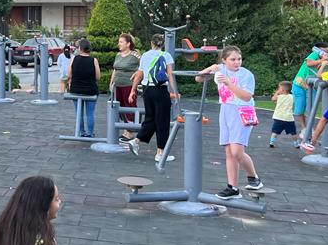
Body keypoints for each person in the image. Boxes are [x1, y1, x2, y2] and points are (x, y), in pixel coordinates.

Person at [196, 46, 265, 199]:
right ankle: (232, 188)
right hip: (226, 110)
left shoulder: (246, 74)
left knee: (236, 152)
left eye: (239, 59)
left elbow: (246, 97)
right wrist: (211, 68)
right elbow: (198, 78)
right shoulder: (220, 69)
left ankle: (254, 178)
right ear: (224, 60)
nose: (236, 62)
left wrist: (228, 83)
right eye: (232, 59)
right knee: (228, 151)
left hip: (243, 110)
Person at [127, 34, 179, 163]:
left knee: (151, 118)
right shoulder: (166, 55)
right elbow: (170, 75)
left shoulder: (145, 55)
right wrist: (175, 92)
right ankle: (160, 152)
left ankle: (136, 140)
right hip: (160, 89)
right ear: (163, 44)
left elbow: (139, 74)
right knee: (162, 120)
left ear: (151, 43)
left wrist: (133, 90)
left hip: (147, 90)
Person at [108, 33, 140, 141]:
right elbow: (115, 69)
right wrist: (111, 82)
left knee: (129, 106)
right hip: (117, 85)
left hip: (129, 85)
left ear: (128, 43)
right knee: (119, 108)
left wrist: (137, 74)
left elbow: (143, 66)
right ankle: (126, 130)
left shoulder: (135, 55)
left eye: (121, 42)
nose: (119, 44)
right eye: (119, 42)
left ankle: (130, 132)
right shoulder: (118, 55)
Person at [291, 42, 327, 138]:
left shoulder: (324, 62)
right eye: (324, 51)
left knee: (311, 109)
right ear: (319, 50)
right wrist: (322, 60)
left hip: (311, 86)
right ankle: (304, 129)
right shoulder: (314, 54)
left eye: (327, 52)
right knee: (299, 109)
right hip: (299, 85)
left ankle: (309, 128)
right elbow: (309, 63)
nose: (326, 53)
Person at [66, 39, 100, 137]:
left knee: (79, 113)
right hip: (90, 90)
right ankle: (90, 133)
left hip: (76, 90)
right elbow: (98, 77)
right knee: (90, 113)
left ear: (80, 48)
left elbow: (69, 75)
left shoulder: (73, 59)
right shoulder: (94, 60)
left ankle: (81, 132)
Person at [269, 81, 300, 148]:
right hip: (288, 118)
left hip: (278, 117)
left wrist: (277, 93)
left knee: (275, 132)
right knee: (293, 133)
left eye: (279, 88)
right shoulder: (292, 97)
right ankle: (296, 144)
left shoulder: (279, 97)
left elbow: (273, 99)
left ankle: (271, 142)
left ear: (282, 90)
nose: (278, 89)